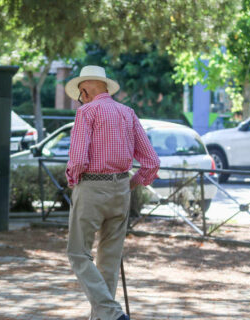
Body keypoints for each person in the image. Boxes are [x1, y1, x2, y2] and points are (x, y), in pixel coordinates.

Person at [64, 65, 160, 320]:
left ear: (85, 90)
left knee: (78, 253)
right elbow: (151, 162)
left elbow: (77, 160)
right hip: (121, 188)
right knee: (109, 259)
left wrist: (73, 181)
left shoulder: (86, 112)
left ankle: (111, 313)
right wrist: (129, 183)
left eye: (79, 95)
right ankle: (104, 317)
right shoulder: (128, 113)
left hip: (92, 186)